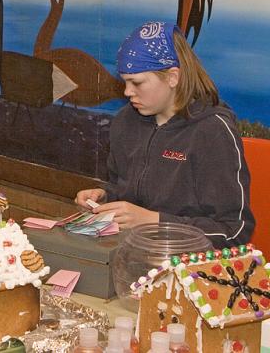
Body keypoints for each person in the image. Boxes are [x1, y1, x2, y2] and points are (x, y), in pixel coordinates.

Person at [75, 21, 254, 247]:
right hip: (132, 253)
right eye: (125, 81)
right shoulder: (125, 121)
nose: (127, 92)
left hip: (188, 268)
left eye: (136, 82)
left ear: (172, 77)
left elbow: (234, 231)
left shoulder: (212, 132)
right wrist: (105, 195)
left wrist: (155, 222)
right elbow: (125, 188)